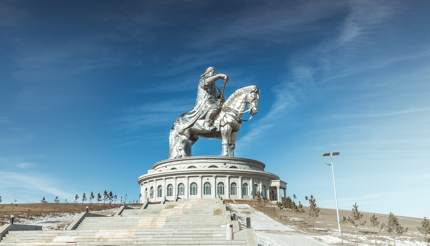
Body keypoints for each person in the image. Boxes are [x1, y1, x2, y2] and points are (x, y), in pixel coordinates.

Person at [177, 66, 228, 132]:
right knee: (214, 107)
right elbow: (206, 83)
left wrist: (221, 98)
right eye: (212, 72)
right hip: (205, 102)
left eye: (214, 72)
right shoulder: (202, 80)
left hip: (214, 102)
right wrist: (219, 76)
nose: (213, 73)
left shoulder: (215, 88)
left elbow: (219, 96)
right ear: (207, 73)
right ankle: (207, 124)